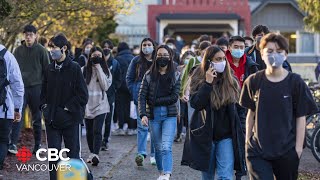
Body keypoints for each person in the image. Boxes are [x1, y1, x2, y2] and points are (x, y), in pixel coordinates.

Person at [240, 33, 318, 180]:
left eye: (279, 51)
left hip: (287, 151)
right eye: (269, 51)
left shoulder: (296, 83)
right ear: (261, 54)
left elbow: (301, 117)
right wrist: (247, 142)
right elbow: (250, 113)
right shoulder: (253, 81)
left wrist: (298, 149)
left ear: (286, 55)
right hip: (258, 150)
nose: (274, 55)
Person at [182, 45, 246, 180]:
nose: (222, 62)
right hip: (205, 135)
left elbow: (240, 108)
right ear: (209, 61)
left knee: (225, 176)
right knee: (208, 176)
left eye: (223, 59)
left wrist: (242, 129)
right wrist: (208, 83)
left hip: (226, 136)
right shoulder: (198, 77)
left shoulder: (231, 80)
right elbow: (196, 104)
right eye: (217, 59)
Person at [40, 34, 88, 179]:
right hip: (52, 121)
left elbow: (83, 96)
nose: (51, 50)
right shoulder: (49, 69)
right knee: (53, 157)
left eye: (54, 47)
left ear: (64, 48)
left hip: (71, 120)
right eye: (50, 47)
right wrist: (44, 108)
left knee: (73, 156)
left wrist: (67, 108)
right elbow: (43, 93)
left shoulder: (74, 68)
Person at [139, 45, 181, 180]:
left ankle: (167, 174)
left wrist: (155, 101)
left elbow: (174, 97)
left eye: (165, 55)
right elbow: (141, 96)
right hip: (153, 115)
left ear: (170, 57)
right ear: (155, 57)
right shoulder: (148, 75)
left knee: (166, 146)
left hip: (170, 115)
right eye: (160, 55)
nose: (162, 57)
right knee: (157, 147)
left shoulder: (176, 74)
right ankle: (161, 172)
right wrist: (143, 114)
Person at [10, 25, 50, 155]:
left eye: (31, 34)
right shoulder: (18, 51)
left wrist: (45, 89)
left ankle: (37, 145)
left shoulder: (42, 51)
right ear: (24, 36)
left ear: (35, 36)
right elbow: (13, 70)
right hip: (21, 89)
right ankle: (13, 144)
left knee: (37, 118)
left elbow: (47, 71)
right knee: (17, 115)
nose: (28, 37)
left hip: (37, 88)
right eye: (26, 34)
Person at [126, 38, 156, 166]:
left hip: (156, 97)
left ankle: (154, 154)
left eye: (149, 45)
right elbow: (129, 78)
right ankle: (141, 153)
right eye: (144, 45)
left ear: (154, 47)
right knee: (142, 126)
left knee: (155, 127)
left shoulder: (158, 60)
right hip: (140, 98)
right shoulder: (136, 60)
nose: (146, 47)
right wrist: (135, 90)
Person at [83, 46, 112, 166]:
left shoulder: (106, 71)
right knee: (89, 131)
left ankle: (96, 154)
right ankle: (91, 153)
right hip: (87, 106)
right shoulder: (83, 70)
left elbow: (105, 86)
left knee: (97, 130)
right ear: (89, 57)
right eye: (94, 56)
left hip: (101, 105)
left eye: (99, 56)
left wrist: (98, 67)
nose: (96, 58)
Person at [0, 44, 24, 170]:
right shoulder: (8, 56)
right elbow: (18, 85)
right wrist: (17, 109)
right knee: (3, 141)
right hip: (4, 109)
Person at [101, 43, 122, 151]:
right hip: (98, 96)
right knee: (98, 119)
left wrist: (113, 89)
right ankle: (98, 140)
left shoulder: (115, 63)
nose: (106, 48)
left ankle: (105, 140)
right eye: (104, 46)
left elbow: (119, 78)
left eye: (108, 46)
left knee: (108, 119)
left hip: (110, 95)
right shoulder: (97, 62)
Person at [175, 51, 196, 142]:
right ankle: (179, 134)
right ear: (183, 59)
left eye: (191, 59)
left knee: (190, 117)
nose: (188, 60)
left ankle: (189, 135)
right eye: (187, 58)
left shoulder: (196, 70)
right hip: (180, 96)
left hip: (192, 96)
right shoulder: (179, 69)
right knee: (180, 115)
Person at [114, 42, 135, 135]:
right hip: (131, 86)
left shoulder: (117, 59)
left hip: (120, 87)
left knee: (120, 107)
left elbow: (115, 73)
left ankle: (121, 127)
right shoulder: (134, 58)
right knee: (130, 107)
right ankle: (131, 127)